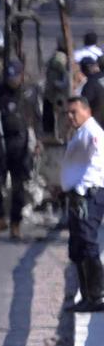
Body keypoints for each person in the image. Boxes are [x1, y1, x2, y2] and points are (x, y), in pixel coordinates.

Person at [0, 58, 42, 240]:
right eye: (10, 77)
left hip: (21, 143)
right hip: (0, 143)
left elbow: (37, 118)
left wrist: (38, 141)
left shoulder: (29, 92)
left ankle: (15, 224)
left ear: (21, 75)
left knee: (19, 186)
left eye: (15, 77)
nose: (13, 81)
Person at [66, 93, 104, 313]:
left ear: (87, 111)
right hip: (78, 195)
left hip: (90, 194)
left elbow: (94, 166)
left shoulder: (92, 133)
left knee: (88, 242)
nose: (71, 117)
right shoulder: (80, 133)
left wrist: (80, 191)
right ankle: (86, 295)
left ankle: (97, 295)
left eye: (74, 112)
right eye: (68, 113)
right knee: (78, 245)